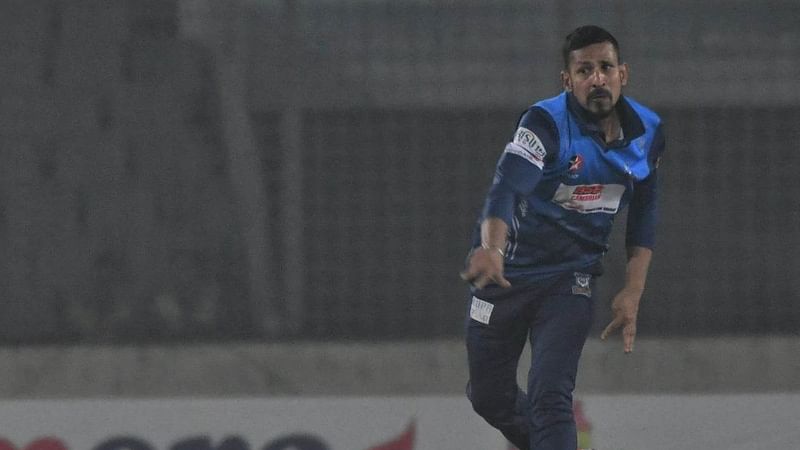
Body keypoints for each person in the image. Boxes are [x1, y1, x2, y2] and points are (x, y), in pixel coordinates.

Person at [460, 25, 665, 450]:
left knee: (551, 395)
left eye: (605, 67)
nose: (597, 78)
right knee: (488, 399)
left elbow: (644, 210)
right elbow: (507, 187)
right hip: (505, 277)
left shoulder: (648, 133)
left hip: (570, 279)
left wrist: (634, 289)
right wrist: (492, 249)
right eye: (584, 69)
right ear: (567, 80)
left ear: (622, 74)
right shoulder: (544, 123)